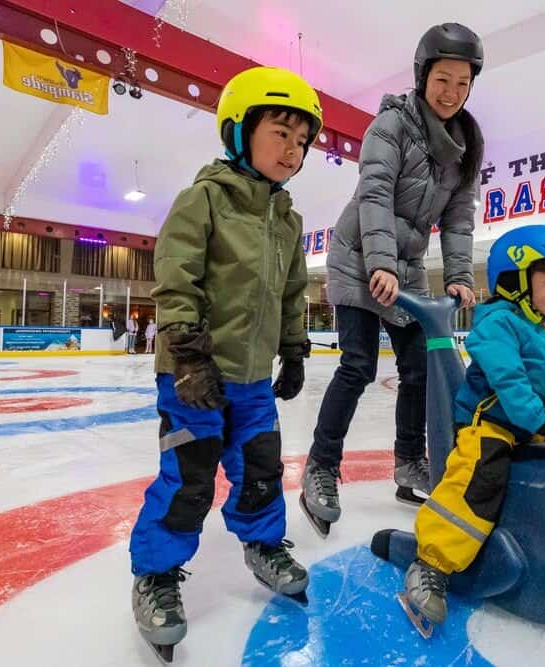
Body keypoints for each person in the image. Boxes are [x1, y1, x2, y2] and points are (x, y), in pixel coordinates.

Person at [127, 66, 321, 659]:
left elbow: (291, 294)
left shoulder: (288, 220)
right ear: (239, 132)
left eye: (302, 140)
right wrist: (187, 357)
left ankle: (263, 543)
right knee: (189, 477)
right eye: (280, 132)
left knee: (261, 469)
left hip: (253, 378)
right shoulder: (203, 200)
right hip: (195, 373)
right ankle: (157, 574)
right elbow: (176, 280)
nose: (293, 149)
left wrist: (292, 349)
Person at [301, 23, 485, 537]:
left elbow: (458, 220)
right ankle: (320, 467)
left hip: (405, 265)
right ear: (423, 76)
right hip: (360, 252)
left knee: (419, 370)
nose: (451, 92)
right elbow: (375, 193)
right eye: (443, 79)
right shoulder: (391, 124)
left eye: (462, 83)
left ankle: (409, 462)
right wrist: (378, 262)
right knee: (358, 365)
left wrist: (458, 275)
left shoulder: (465, 144)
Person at [400, 225, 545, 632]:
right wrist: (541, 420)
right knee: (482, 477)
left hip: (529, 422)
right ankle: (432, 562)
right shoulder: (497, 324)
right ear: (515, 280)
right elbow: (509, 381)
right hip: (490, 421)